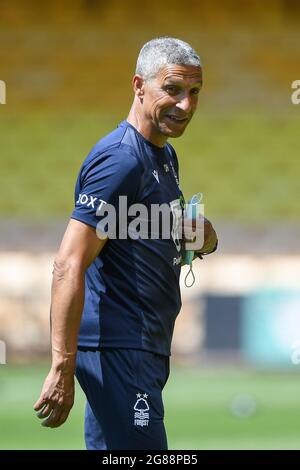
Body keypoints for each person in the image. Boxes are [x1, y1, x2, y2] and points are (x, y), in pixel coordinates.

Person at [34, 36, 218, 450]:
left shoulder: (165, 157)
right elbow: (68, 263)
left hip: (144, 348)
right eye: (172, 89)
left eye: (194, 92)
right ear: (139, 86)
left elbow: (162, 237)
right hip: (119, 348)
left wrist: (203, 238)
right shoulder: (120, 159)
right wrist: (61, 367)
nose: (186, 104)